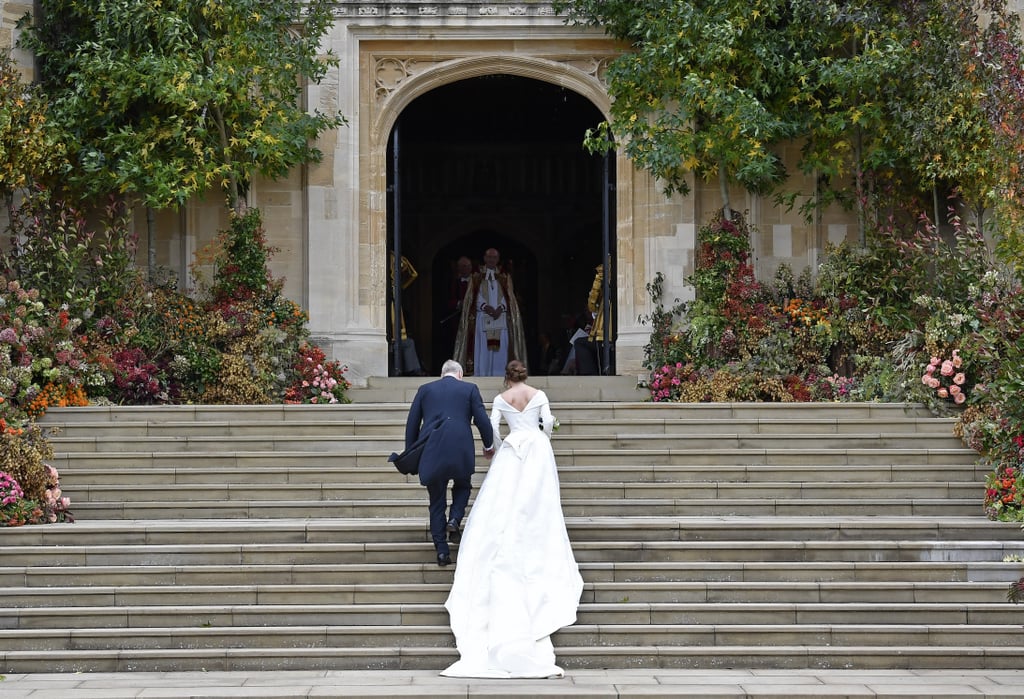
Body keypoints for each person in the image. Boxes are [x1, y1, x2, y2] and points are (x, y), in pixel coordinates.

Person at [441, 359, 583, 679]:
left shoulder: (502, 399)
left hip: (513, 447)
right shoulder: (539, 394)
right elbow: (546, 424)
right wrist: (545, 432)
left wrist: (497, 446)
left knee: (505, 496)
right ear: (525, 376)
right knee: (538, 496)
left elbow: (492, 428)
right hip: (536, 446)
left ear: (507, 377)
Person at [404, 359, 495, 566]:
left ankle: (442, 552)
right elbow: (482, 419)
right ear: (460, 374)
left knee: (436, 501)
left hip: (432, 449)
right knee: (463, 485)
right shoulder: (470, 389)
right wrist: (488, 445)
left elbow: (412, 423)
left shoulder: (425, 390)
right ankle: (455, 518)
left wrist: (411, 452)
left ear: (442, 373)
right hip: (460, 448)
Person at [453, 248, 527, 377]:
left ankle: (499, 374)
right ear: (485, 259)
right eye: (489, 257)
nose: (492, 260)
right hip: (482, 317)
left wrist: (501, 308)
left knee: (501, 349)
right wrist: (484, 306)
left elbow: (509, 296)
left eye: (494, 257)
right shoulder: (475, 277)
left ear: (498, 259)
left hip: (501, 317)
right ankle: (482, 374)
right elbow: (471, 297)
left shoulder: (505, 277)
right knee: (482, 348)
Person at [388, 252, 426, 376]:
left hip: (392, 303)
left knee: (406, 342)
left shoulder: (393, 257)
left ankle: (413, 370)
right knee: (403, 342)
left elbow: (410, 271)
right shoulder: (392, 257)